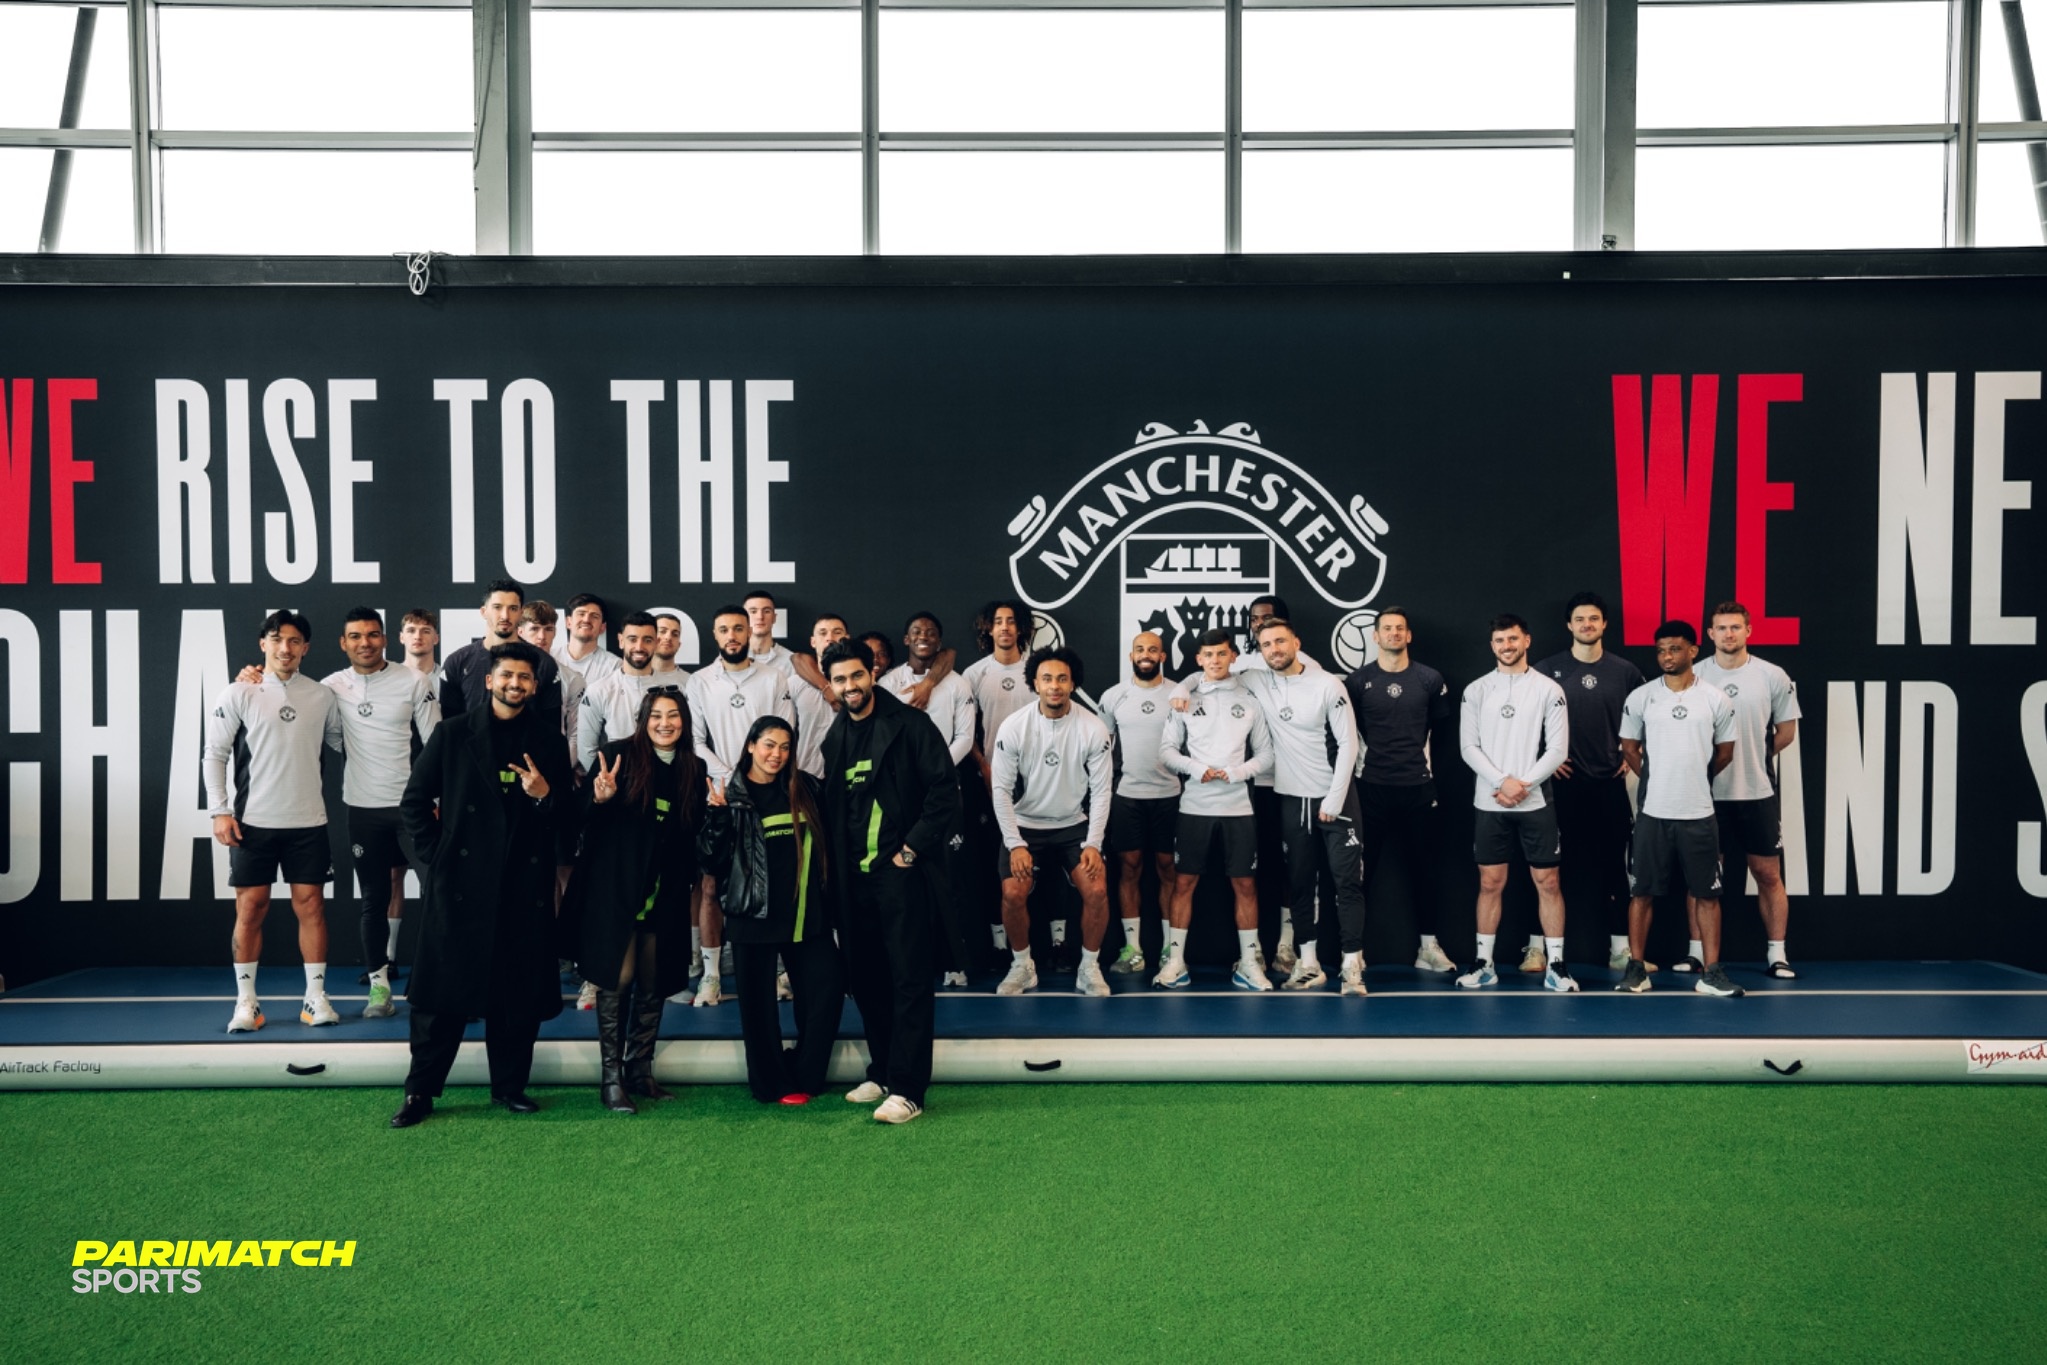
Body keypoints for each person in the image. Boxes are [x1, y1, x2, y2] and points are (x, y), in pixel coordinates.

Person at [391, 643, 572, 1126]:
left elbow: (566, 818)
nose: (516, 684)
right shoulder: (452, 734)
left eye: (524, 677)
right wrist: (439, 859)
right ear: (490, 680)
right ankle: (420, 1092)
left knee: (517, 997)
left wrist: (544, 795)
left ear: (534, 686)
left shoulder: (549, 741)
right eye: (507, 675)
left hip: (523, 889)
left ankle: (509, 1087)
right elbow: (413, 803)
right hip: (460, 886)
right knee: (439, 999)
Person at [818, 639, 964, 1124]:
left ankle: (908, 1089)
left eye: (856, 675)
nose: (850, 686)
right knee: (867, 981)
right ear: (831, 685)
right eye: (840, 679)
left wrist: (910, 849)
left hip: (899, 877)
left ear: (873, 673)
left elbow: (944, 792)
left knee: (909, 981)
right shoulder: (836, 735)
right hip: (853, 882)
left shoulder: (911, 725)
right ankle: (881, 1072)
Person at [205, 610, 345, 1032]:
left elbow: (347, 743)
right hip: (253, 822)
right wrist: (220, 811)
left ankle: (315, 998)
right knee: (250, 909)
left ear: (306, 647)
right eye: (277, 639)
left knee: (312, 907)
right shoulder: (239, 692)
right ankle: (246, 1003)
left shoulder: (322, 696)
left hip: (308, 821)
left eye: (294, 640)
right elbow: (215, 754)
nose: (286, 648)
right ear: (263, 644)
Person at [564, 692, 702, 1114]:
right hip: (616, 891)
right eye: (656, 715)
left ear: (684, 722)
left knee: (654, 981)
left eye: (673, 716)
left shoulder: (692, 768)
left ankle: (640, 1070)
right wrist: (599, 797)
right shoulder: (617, 756)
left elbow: (690, 833)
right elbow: (577, 818)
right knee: (617, 978)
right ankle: (611, 1079)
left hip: (665, 893)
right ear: (643, 719)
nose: (665, 723)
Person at [701, 716, 846, 1104]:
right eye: (768, 745)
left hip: (805, 918)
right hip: (753, 917)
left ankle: (806, 1074)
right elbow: (712, 863)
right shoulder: (729, 795)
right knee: (758, 1011)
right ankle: (771, 1084)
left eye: (784, 747)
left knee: (827, 990)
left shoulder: (807, 788)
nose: (776, 754)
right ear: (751, 745)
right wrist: (717, 818)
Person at [1231, 617, 1364, 994]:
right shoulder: (1257, 680)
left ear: (1296, 643)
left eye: (1280, 641)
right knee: (1300, 884)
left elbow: (1349, 743)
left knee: (1347, 883)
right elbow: (1212, 672)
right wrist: (1184, 687)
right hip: (1293, 798)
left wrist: (1334, 798)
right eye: (1266, 644)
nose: (1274, 649)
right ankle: (1309, 965)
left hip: (1336, 798)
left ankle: (1352, 965)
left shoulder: (1327, 684)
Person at [321, 608, 439, 1018]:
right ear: (344, 643)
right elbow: (331, 734)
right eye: (355, 636)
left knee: (439, 892)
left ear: (385, 639)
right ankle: (379, 988)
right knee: (374, 898)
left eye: (372, 635)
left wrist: (435, 799)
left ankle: (442, 983)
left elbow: (435, 742)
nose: (365, 643)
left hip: (412, 808)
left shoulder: (414, 680)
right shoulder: (331, 687)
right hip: (363, 810)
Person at [1615, 622, 1742, 998]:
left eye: (1674, 649)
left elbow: (1725, 752)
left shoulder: (1716, 699)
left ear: (1693, 650)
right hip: (1653, 813)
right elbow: (1629, 747)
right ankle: (1637, 970)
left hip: (1699, 813)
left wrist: (1693, 778)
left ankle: (1712, 972)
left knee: (1707, 895)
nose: (1667, 656)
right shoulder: (1642, 697)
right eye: (1661, 650)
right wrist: (1657, 779)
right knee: (1641, 893)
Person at [1455, 614, 1575, 992]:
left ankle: (1557, 966)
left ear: (1526, 641)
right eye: (1499, 640)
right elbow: (1468, 747)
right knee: (1490, 882)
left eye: (1512, 639)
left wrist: (1522, 785)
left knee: (1548, 882)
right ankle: (1484, 964)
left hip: (1534, 802)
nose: (1506, 646)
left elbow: (1558, 750)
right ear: (1492, 645)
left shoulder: (1548, 689)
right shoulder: (1476, 690)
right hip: (1490, 802)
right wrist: (1500, 782)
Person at [686, 604, 796, 1006]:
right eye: (724, 630)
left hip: (769, 792)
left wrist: (757, 774)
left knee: (776, 880)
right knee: (711, 886)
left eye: (738, 628)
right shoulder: (700, 681)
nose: (731, 636)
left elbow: (785, 731)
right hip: (720, 793)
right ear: (714, 635)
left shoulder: (774, 676)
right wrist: (734, 776)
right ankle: (712, 975)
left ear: (750, 632)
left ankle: (781, 971)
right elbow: (695, 741)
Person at [990, 647, 1116, 997]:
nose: (1054, 686)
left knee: (1097, 891)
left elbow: (1102, 791)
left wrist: (1094, 843)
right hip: (1025, 825)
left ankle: (1089, 968)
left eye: (1062, 679)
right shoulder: (1014, 726)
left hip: (1072, 826)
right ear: (1035, 683)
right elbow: (1000, 790)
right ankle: (1022, 967)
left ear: (1073, 683)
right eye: (1047, 679)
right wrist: (1015, 843)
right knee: (1012, 894)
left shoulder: (1093, 728)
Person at [1535, 592, 1649, 972]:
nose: (1587, 625)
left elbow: (1650, 717)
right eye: (1580, 619)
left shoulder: (1626, 672)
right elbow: (1526, 722)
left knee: (1615, 866)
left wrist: (1632, 755)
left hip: (1607, 785)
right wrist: (1545, 759)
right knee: (1545, 869)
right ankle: (1537, 949)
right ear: (1569, 625)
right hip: (1561, 786)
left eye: (1594, 619)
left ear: (1604, 624)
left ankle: (1620, 950)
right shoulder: (1546, 670)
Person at [1155, 630, 1274, 990]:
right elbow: (1167, 751)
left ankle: (1249, 964)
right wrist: (1195, 768)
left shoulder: (1250, 699)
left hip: (1239, 808)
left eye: (1222, 654)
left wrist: (1238, 773)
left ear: (1233, 656)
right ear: (1199, 660)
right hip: (1195, 806)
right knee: (1183, 882)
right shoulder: (1184, 699)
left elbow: (1266, 754)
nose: (1215, 660)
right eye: (1208, 655)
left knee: (1245, 884)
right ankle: (1175, 963)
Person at [1343, 606, 1458, 975]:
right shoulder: (1358, 682)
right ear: (1375, 636)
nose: (1393, 633)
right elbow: (1346, 737)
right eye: (1387, 628)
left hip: (1418, 789)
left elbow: (1442, 736)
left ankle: (1428, 948)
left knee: (1426, 871)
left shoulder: (1429, 679)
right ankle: (1354, 952)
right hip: (1370, 789)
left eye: (1400, 628)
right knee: (1360, 873)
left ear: (1409, 636)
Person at [1694, 601, 1802, 980]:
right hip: (1706, 796)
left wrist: (1752, 755)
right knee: (1702, 877)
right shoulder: (1694, 675)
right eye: (1721, 628)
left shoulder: (1772, 675)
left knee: (1768, 875)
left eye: (1735, 627)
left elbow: (1786, 732)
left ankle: (1777, 954)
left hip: (1757, 793)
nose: (1729, 634)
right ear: (1710, 634)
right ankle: (1696, 953)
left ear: (1748, 631)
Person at [879, 612, 979, 988]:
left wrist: (934, 774)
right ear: (906, 639)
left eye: (931, 632)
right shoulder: (889, 683)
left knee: (950, 880)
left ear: (940, 640)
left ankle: (954, 962)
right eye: (917, 632)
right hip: (902, 798)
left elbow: (965, 739)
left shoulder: (958, 683)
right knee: (904, 880)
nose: (924, 637)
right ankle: (907, 958)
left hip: (944, 795)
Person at [1230, 595, 1321, 973]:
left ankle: (1286, 946)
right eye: (1254, 619)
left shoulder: (1308, 667)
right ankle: (1250, 951)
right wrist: (1181, 690)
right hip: (1251, 783)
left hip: (1294, 784)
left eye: (1267, 618)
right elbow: (1209, 681)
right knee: (1247, 867)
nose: (1259, 624)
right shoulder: (1242, 665)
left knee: (1293, 868)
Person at [1097, 631, 1179, 976]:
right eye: (1140, 649)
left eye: (1153, 650)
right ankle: (1133, 949)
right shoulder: (1114, 696)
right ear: (1131, 656)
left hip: (1170, 796)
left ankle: (1171, 950)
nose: (1146, 654)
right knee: (1129, 869)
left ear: (1163, 656)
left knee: (1168, 869)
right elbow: (1100, 750)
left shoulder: (1179, 694)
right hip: (1128, 796)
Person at [439, 578, 564, 734]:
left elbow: (552, 731)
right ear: (484, 611)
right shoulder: (456, 662)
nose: (505, 616)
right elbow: (450, 731)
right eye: (497, 607)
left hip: (527, 748)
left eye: (513, 608)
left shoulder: (544, 663)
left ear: (521, 613)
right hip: (472, 748)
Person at [787, 611, 849, 781]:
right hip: (807, 774)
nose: (830, 638)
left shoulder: (858, 681)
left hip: (850, 775)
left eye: (837, 632)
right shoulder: (794, 683)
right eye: (823, 633)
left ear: (847, 639)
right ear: (813, 641)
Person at [553, 593, 621, 686]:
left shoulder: (614, 666)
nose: (586, 620)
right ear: (568, 622)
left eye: (594, 616)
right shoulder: (550, 658)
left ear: (602, 627)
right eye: (581, 614)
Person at [744, 589, 798, 672]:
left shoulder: (791, 662)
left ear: (774, 618)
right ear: (743, 618)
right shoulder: (730, 660)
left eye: (766, 611)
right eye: (753, 611)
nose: (760, 617)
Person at [398, 608, 440, 680]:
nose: (418, 637)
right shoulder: (388, 679)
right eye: (411, 631)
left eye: (426, 631)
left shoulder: (449, 679)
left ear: (436, 638)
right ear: (401, 637)